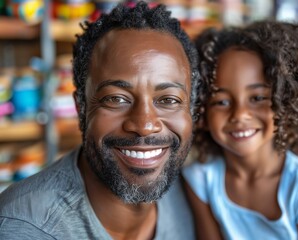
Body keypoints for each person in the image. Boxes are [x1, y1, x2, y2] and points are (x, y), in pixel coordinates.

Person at [0, 2, 200, 239]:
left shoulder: (193, 197)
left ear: (192, 108)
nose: (145, 125)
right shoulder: (26, 228)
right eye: (116, 98)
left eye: (168, 100)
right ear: (81, 108)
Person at [182, 21, 298, 240]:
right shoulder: (201, 179)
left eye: (257, 98)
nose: (240, 114)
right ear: (201, 111)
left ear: (286, 102)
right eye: (221, 102)